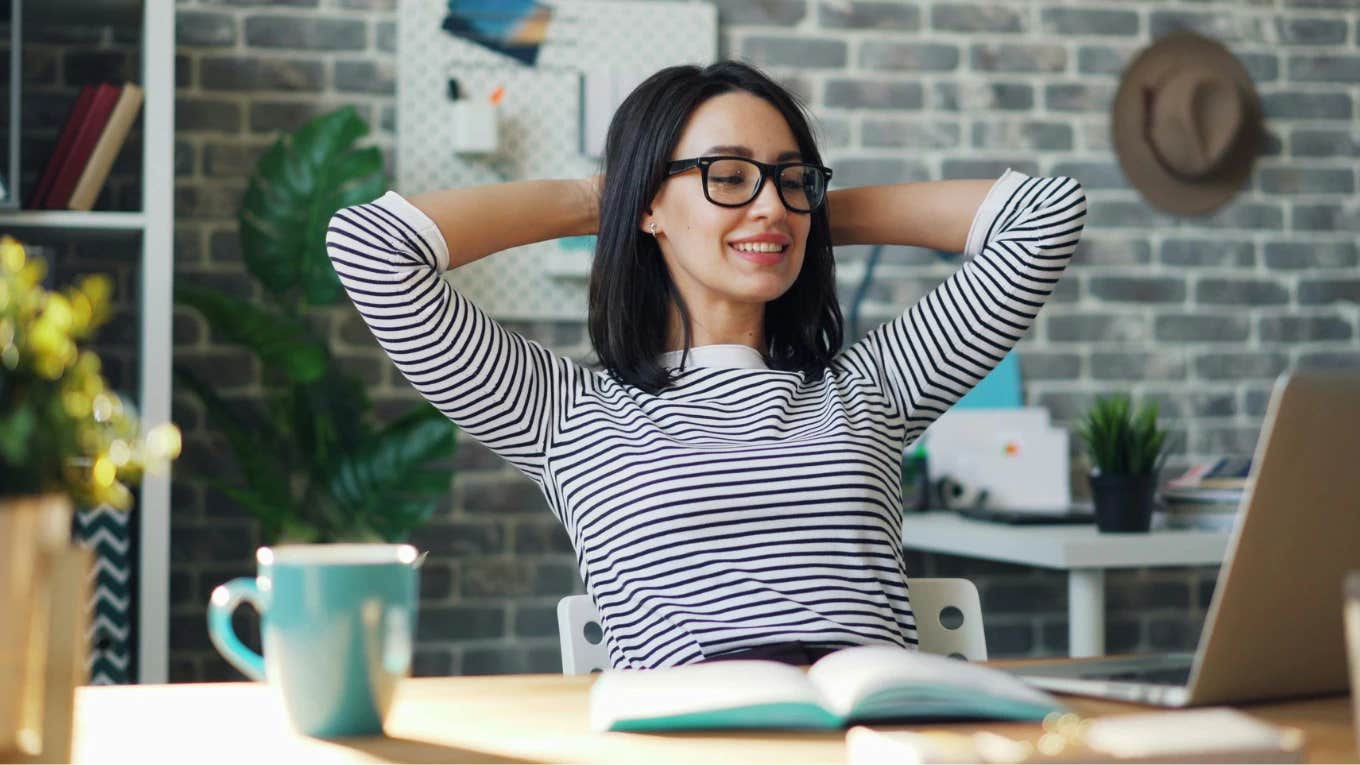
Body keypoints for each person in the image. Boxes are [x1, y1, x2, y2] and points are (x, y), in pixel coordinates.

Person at [326, 61, 1086, 670]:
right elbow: (370, 248)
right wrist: (614, 198)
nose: (769, 206)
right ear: (649, 203)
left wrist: (800, 217)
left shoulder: (872, 390)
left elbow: (1044, 216)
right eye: (727, 175)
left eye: (793, 178)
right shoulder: (563, 413)